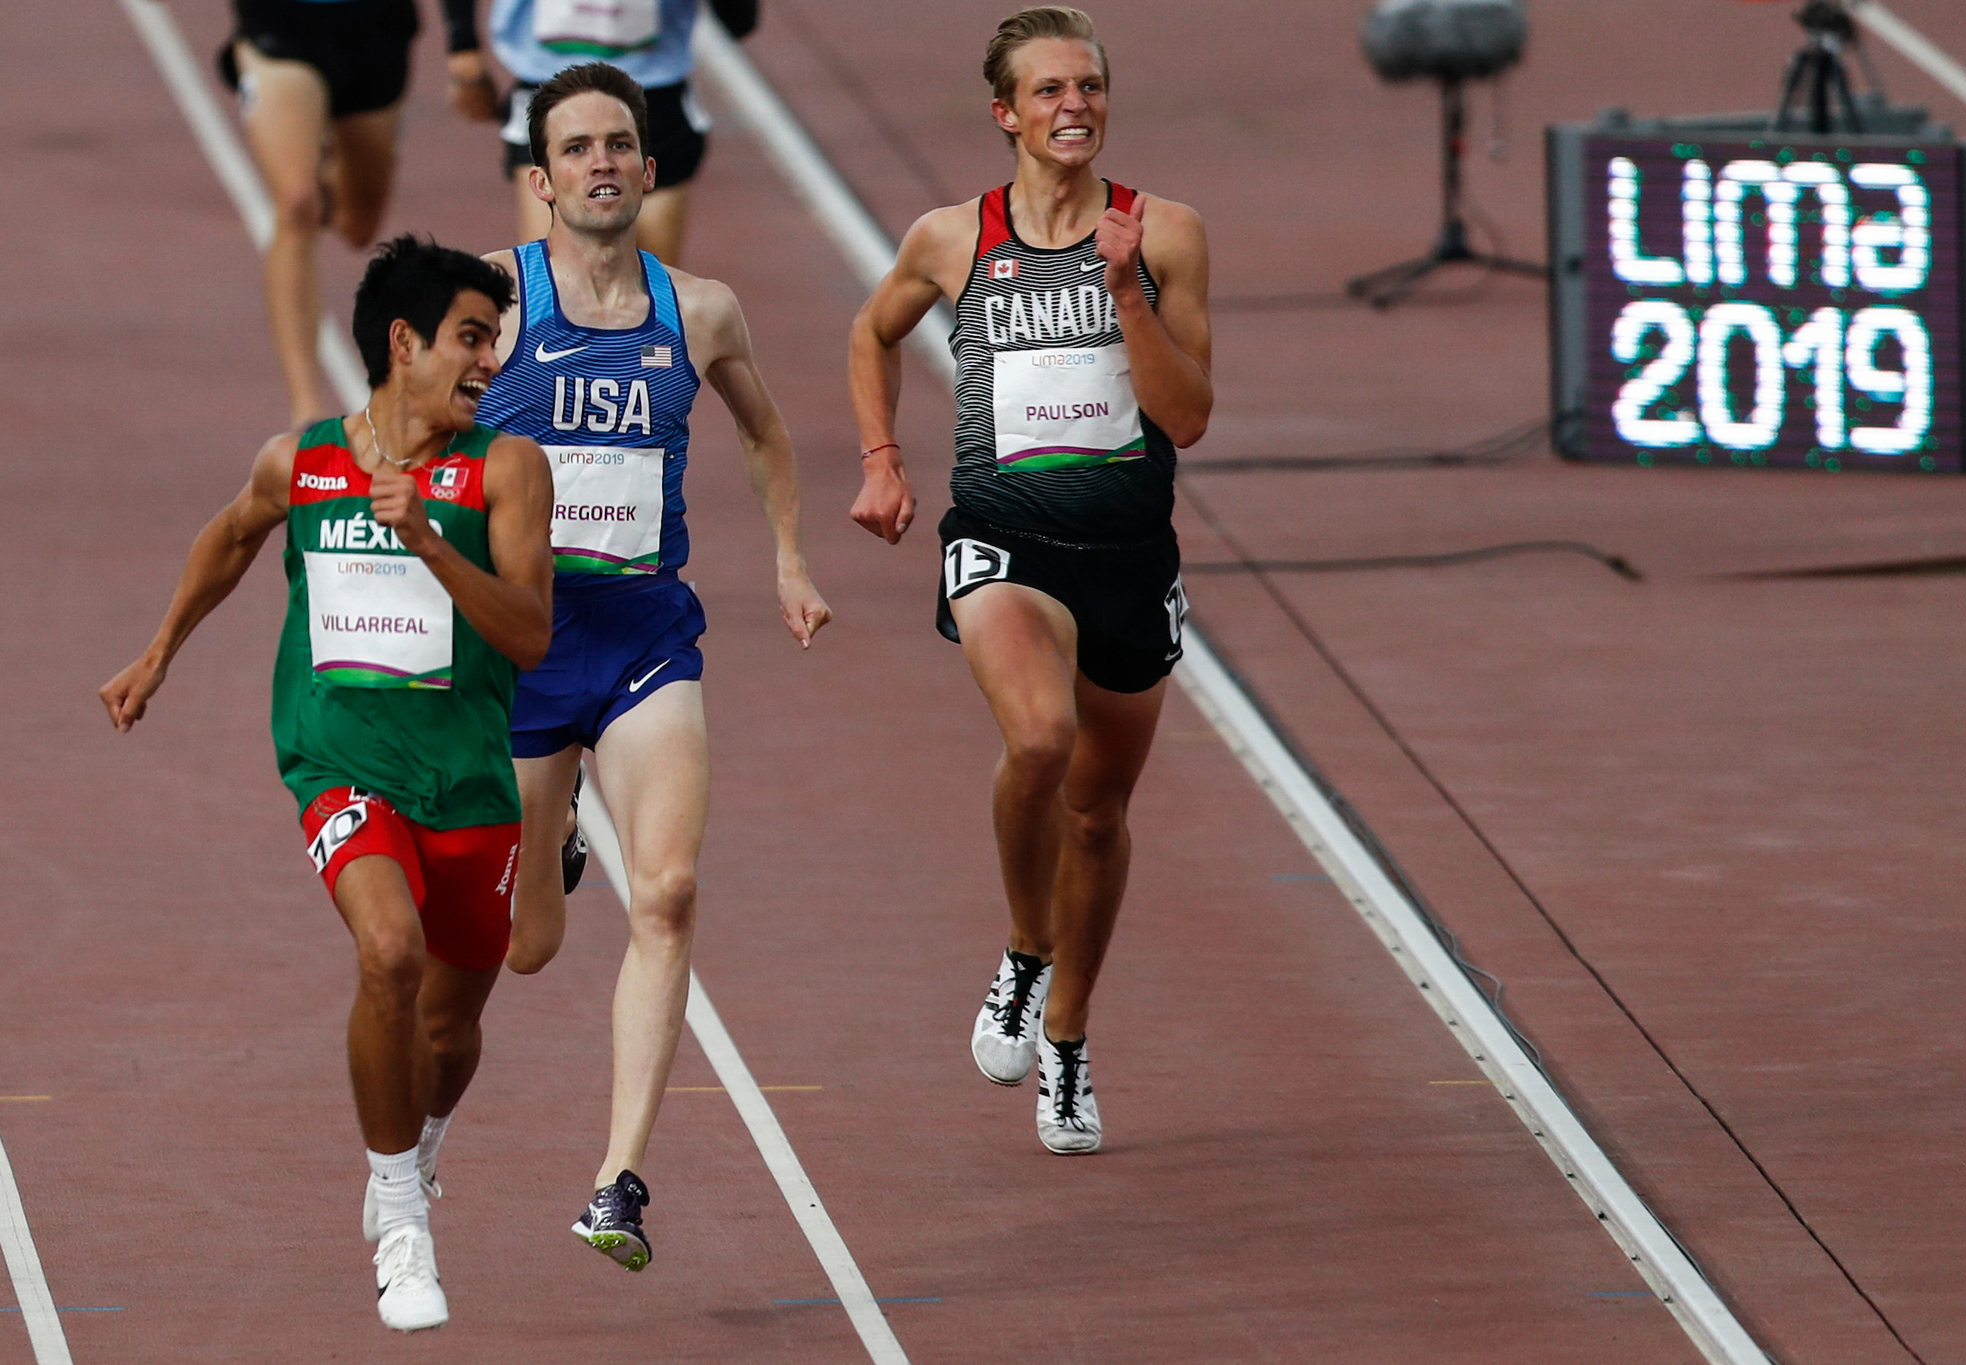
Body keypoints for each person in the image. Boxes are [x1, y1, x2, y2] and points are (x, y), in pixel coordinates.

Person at [99, 238, 553, 1330]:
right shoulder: (299, 464)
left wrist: (431, 543)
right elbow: (231, 537)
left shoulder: (505, 470)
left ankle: (419, 1142)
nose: (489, 361)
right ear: (404, 343)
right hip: (338, 762)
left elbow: (531, 635)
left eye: (494, 340)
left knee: (448, 1032)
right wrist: (159, 652)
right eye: (471, 337)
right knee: (388, 950)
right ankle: (401, 1220)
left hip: (469, 782)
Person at [472, 61, 830, 1269]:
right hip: (522, 649)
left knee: (668, 892)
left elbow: (766, 431)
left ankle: (616, 1182)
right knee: (526, 946)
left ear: (648, 165)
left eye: (618, 144)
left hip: (643, 639)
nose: (602, 163)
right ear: (540, 179)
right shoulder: (496, 302)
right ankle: (556, 832)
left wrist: (788, 558)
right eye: (576, 148)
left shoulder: (701, 310)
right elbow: (409, 429)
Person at [848, 6, 1212, 1155]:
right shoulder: (952, 237)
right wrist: (881, 458)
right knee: (1041, 739)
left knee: (1097, 817)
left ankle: (1066, 1036)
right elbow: (871, 332)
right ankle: (1021, 950)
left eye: (1088, 86)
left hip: (1129, 558)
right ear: (1004, 112)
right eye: (1049, 89)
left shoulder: (1165, 233)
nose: (1073, 105)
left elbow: (1187, 418)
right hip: (1002, 540)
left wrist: (1124, 293)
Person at [217, 0, 423, 428]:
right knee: (296, 205)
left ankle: (325, 154)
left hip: (374, 31)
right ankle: (306, 411)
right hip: (281, 27)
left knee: (359, 227)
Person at [437, 0, 759, 265]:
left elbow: (739, 21)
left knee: (653, 288)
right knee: (555, 276)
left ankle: (644, 333)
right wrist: (463, 48)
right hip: (547, 90)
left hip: (653, 96)